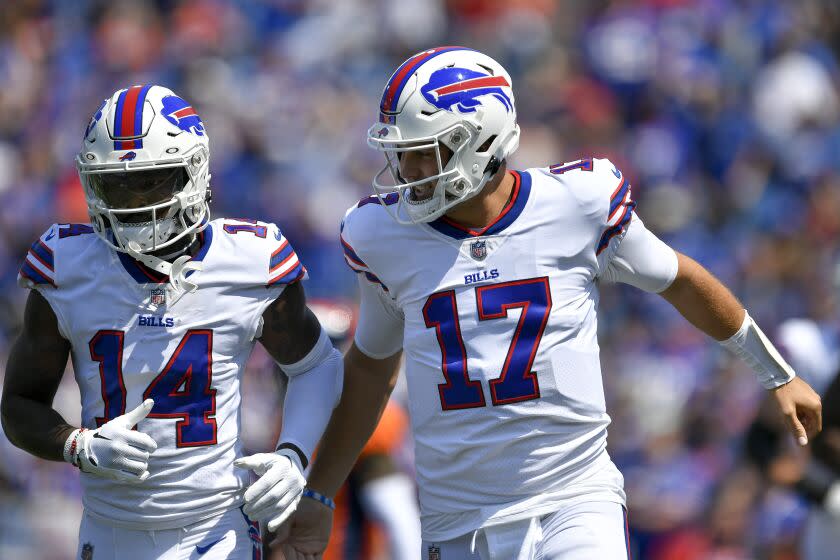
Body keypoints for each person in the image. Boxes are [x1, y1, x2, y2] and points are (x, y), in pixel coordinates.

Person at [276, 47, 822, 559]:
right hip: (457, 518)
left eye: (425, 154)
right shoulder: (383, 235)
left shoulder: (576, 205)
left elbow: (678, 279)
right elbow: (371, 370)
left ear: (481, 139)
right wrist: (321, 494)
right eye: (404, 157)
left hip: (573, 498)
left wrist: (775, 374)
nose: (411, 174)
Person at [0, 85, 343, 560]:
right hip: (111, 533)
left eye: (152, 181)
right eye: (115, 185)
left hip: (217, 530)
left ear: (194, 172)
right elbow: (18, 404)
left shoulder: (247, 260)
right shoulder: (66, 266)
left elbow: (318, 364)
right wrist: (77, 444)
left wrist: (294, 454)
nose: (135, 203)